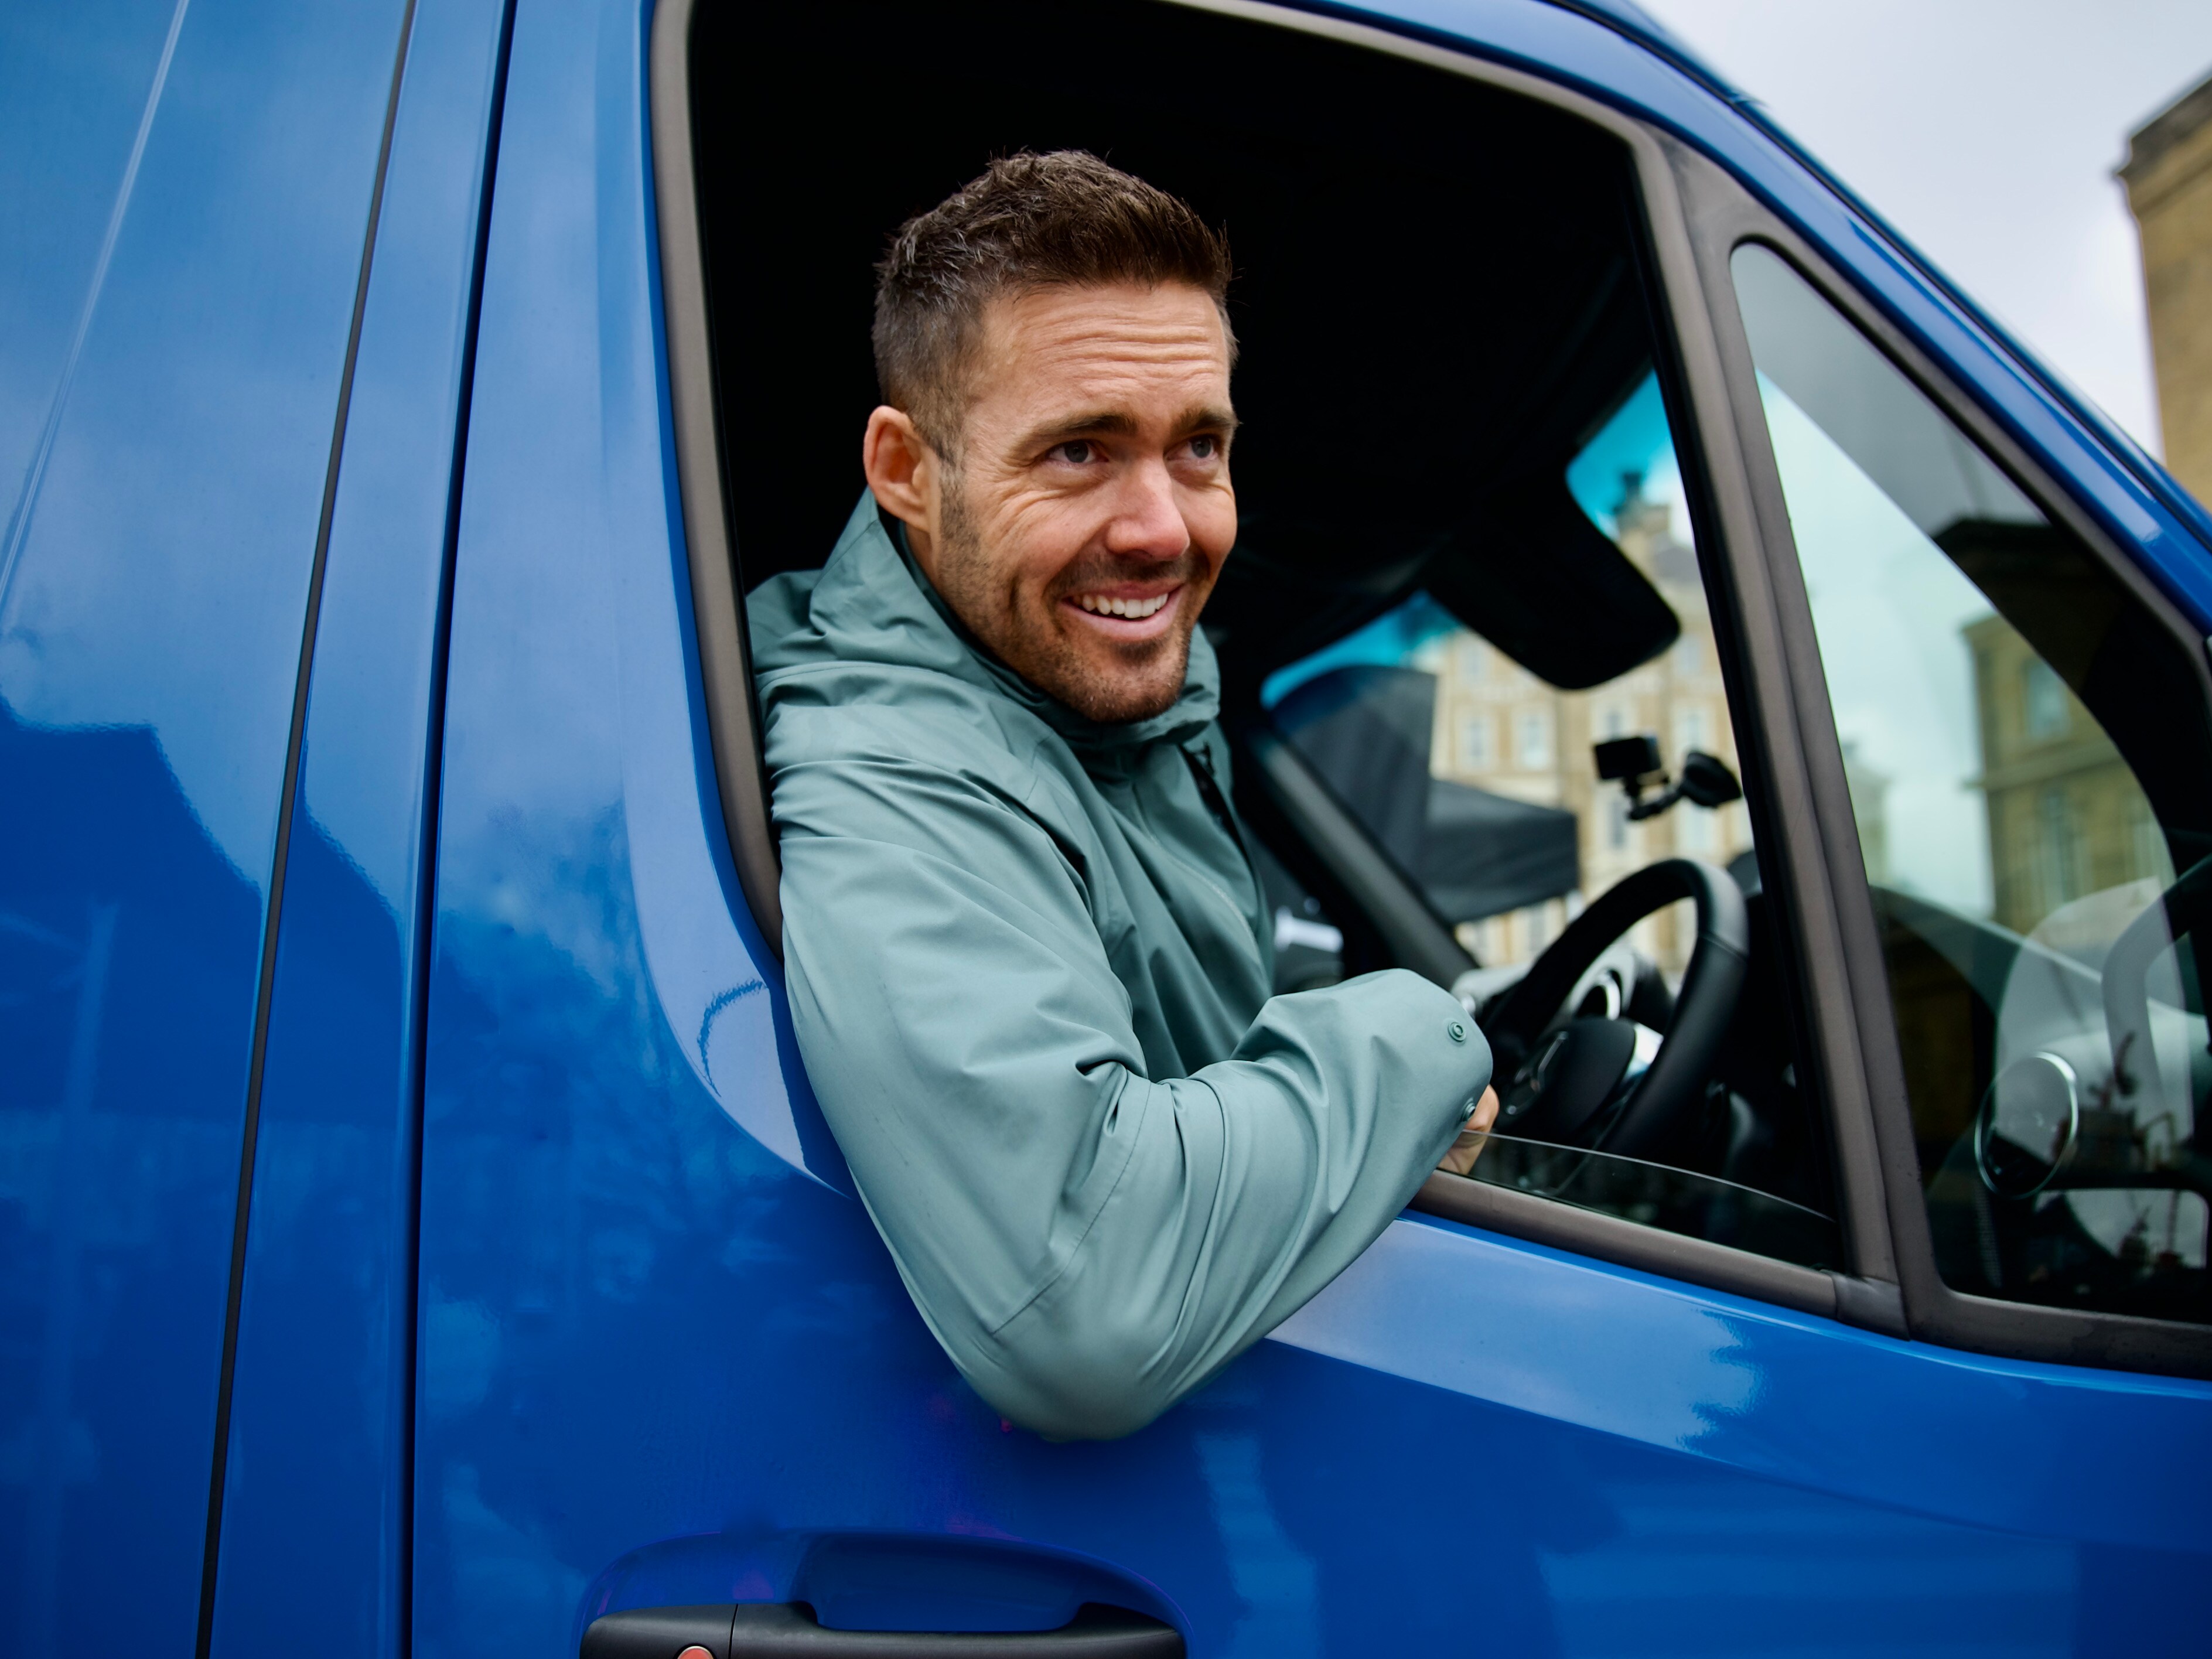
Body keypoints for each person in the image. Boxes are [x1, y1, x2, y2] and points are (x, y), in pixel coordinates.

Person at [749, 152, 1497, 1440]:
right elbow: (1082, 1296)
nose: (1163, 526)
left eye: (1197, 446)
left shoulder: (1106, 689)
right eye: (1080, 450)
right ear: (904, 471)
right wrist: (1417, 1043)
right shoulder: (894, 760)